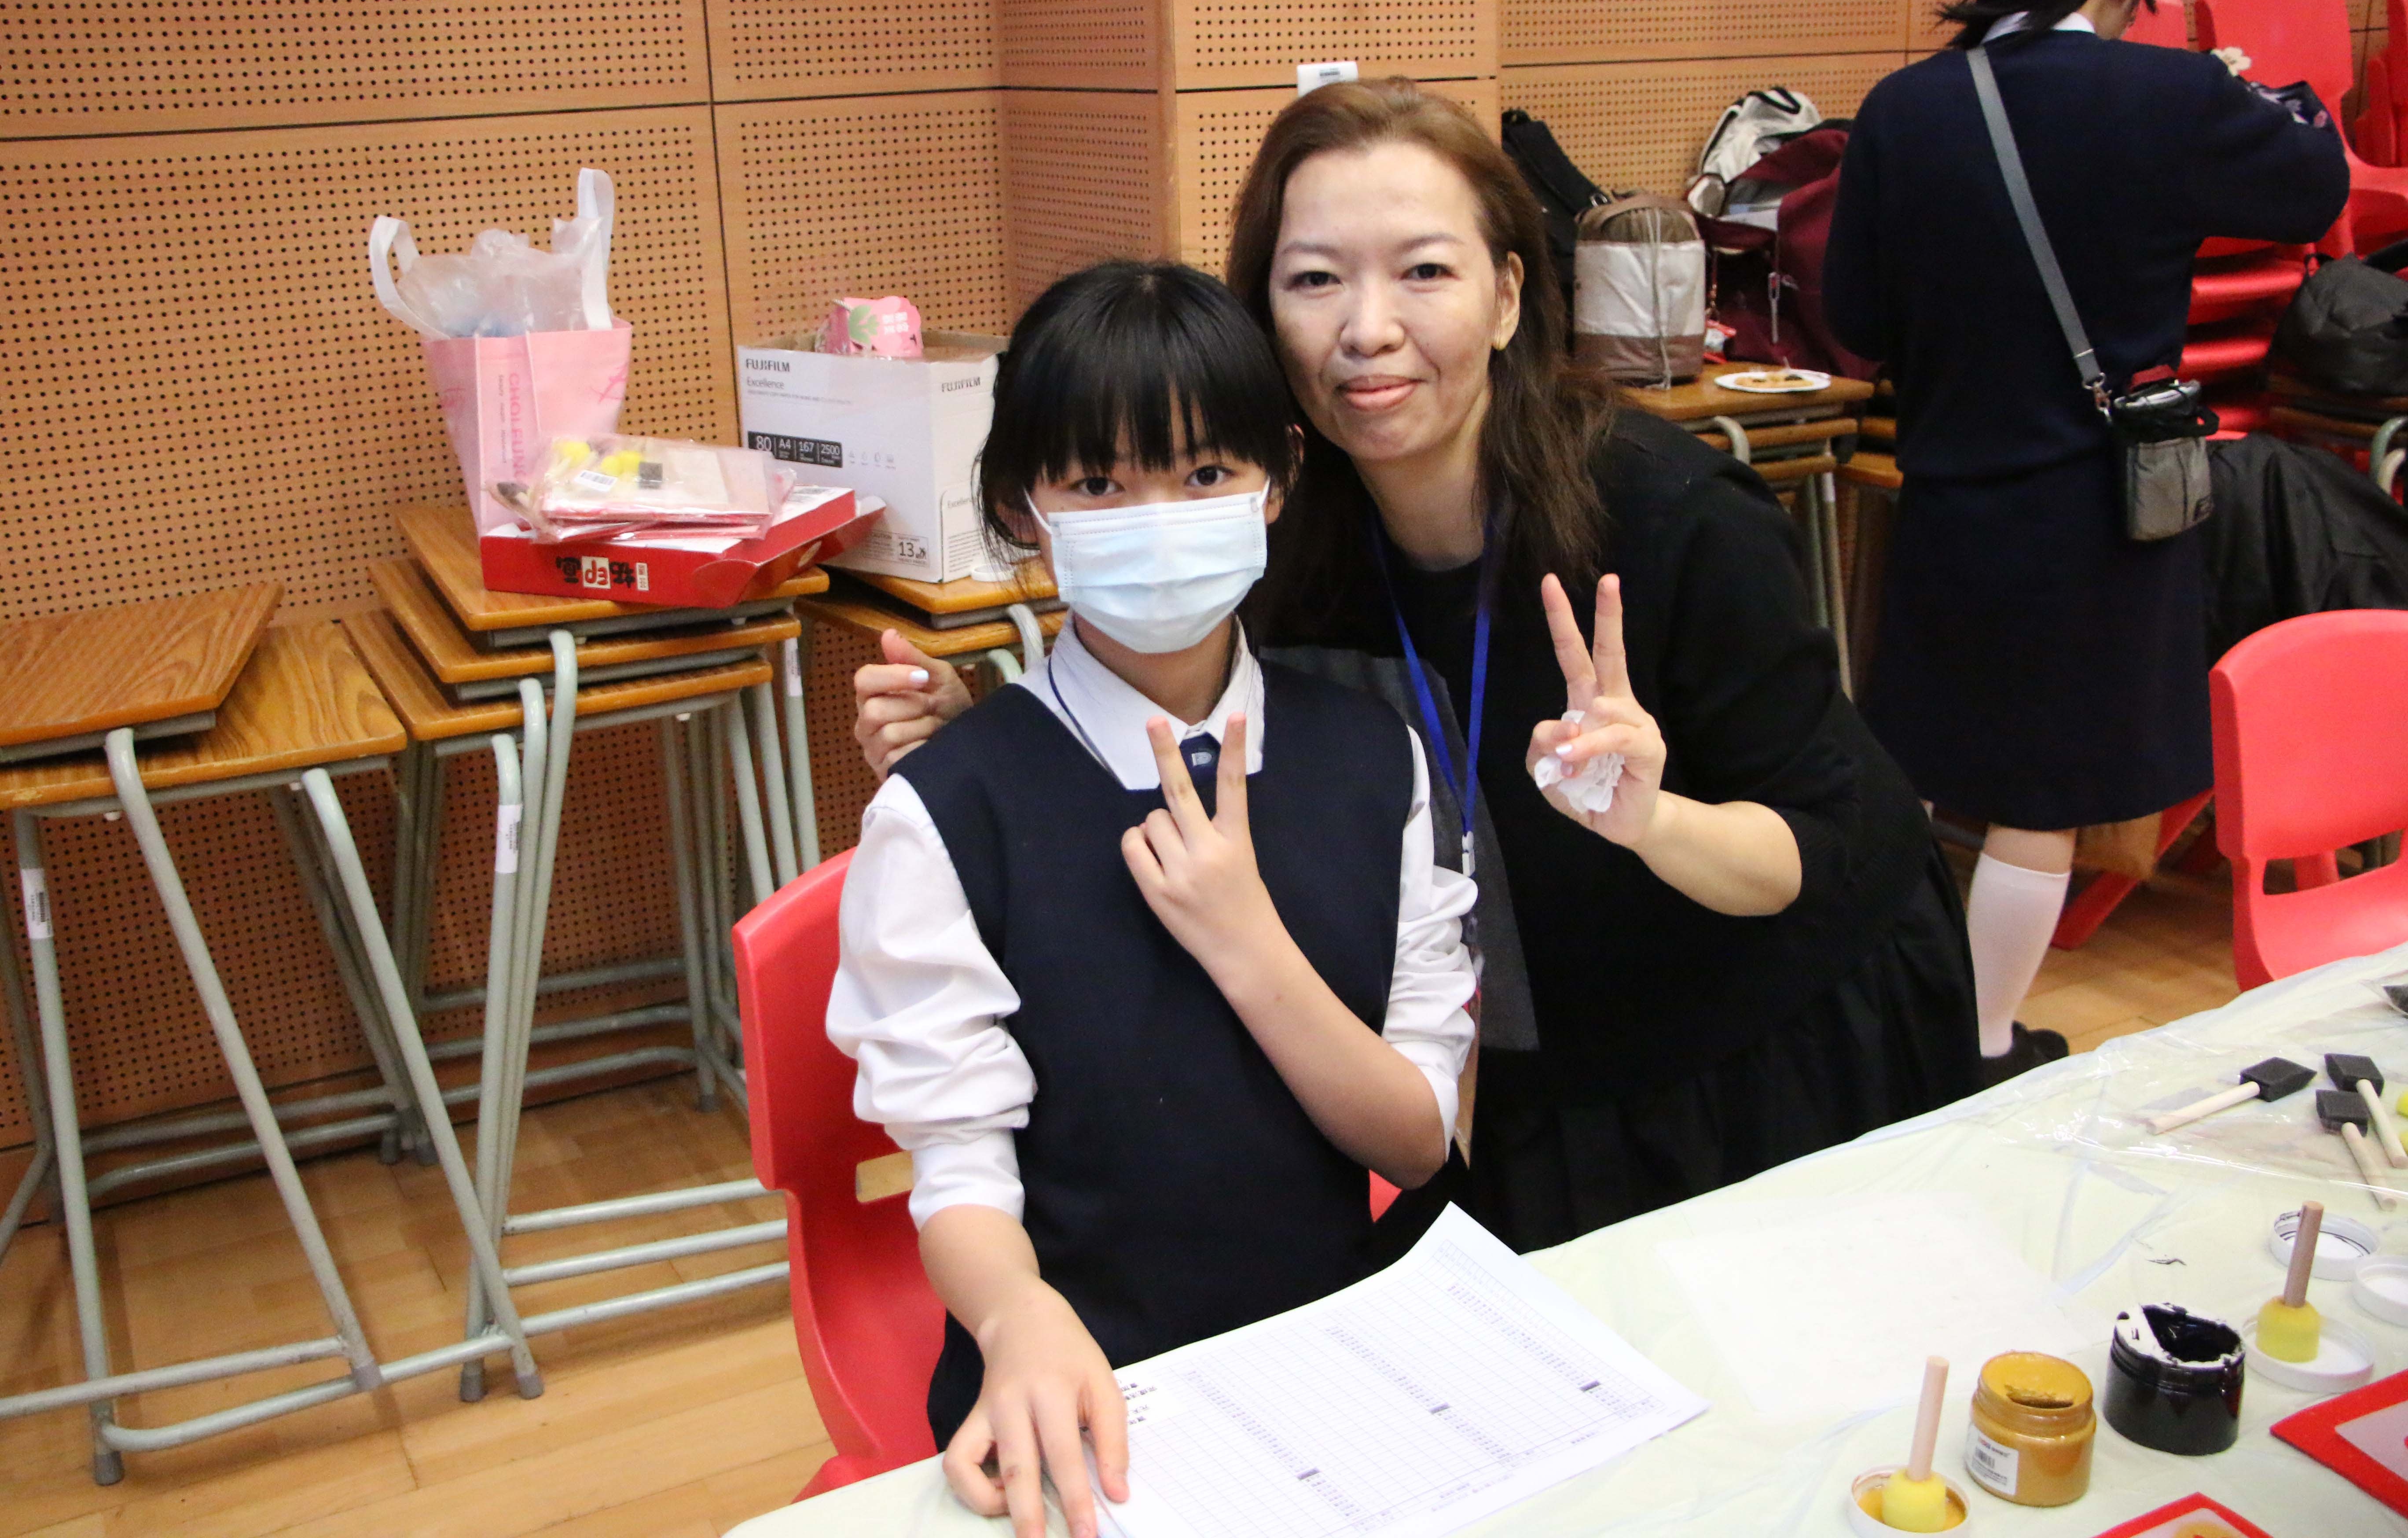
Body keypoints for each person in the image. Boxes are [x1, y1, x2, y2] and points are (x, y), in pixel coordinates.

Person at [858, 78, 1982, 1257]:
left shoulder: (1671, 522)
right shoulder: (1276, 532)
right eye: (1315, 279)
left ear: (1507, 297)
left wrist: (1654, 822)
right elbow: (1183, 738)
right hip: (1511, 1080)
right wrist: (984, 739)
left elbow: (1820, 850)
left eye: (1425, 272)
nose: (1368, 328)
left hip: (1759, 1046)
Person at [826, 260, 1478, 1538]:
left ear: (1280, 478)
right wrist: (1015, 1316)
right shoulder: (944, 813)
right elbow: (959, 1167)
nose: (1160, 519)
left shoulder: (1373, 757)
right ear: (1022, 506)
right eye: (1098, 486)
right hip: (1080, 1394)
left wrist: (1250, 947)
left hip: (1332, 1378)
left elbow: (1416, 1144)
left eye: (1206, 474)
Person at [1825, 0, 2349, 1076]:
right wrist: (2260, 86)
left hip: (1947, 494)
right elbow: (2318, 183)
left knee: (1918, 771)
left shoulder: (1906, 107)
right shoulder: (2169, 91)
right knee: (2042, 803)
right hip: (2100, 508)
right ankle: (1982, 1043)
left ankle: (1891, 1031)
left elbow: (1855, 316)